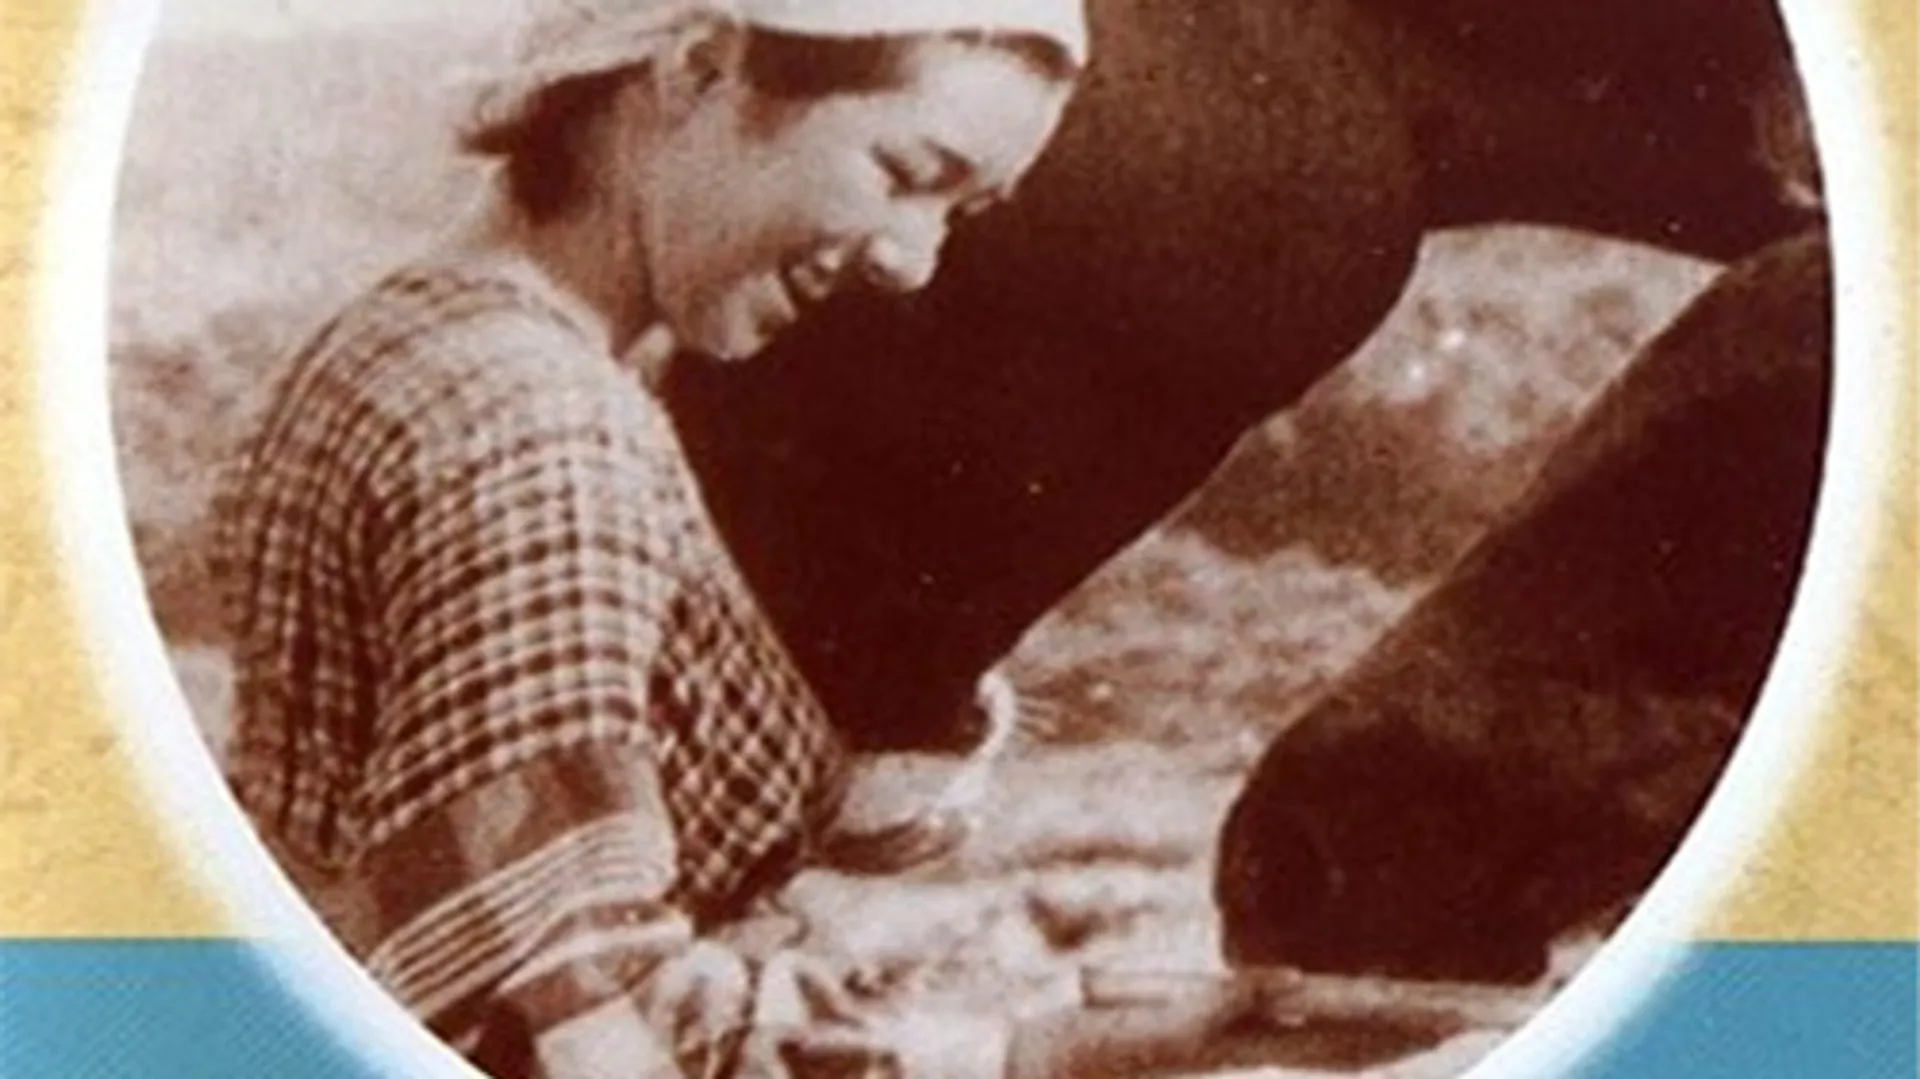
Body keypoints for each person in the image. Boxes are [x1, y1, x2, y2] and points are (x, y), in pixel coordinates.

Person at [211, 2, 1086, 1076]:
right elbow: (561, 1020)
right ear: (700, 68)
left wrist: (1057, 1048)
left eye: (962, 208)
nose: (914, 260)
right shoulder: (536, 418)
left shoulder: (423, 339)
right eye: (904, 172)